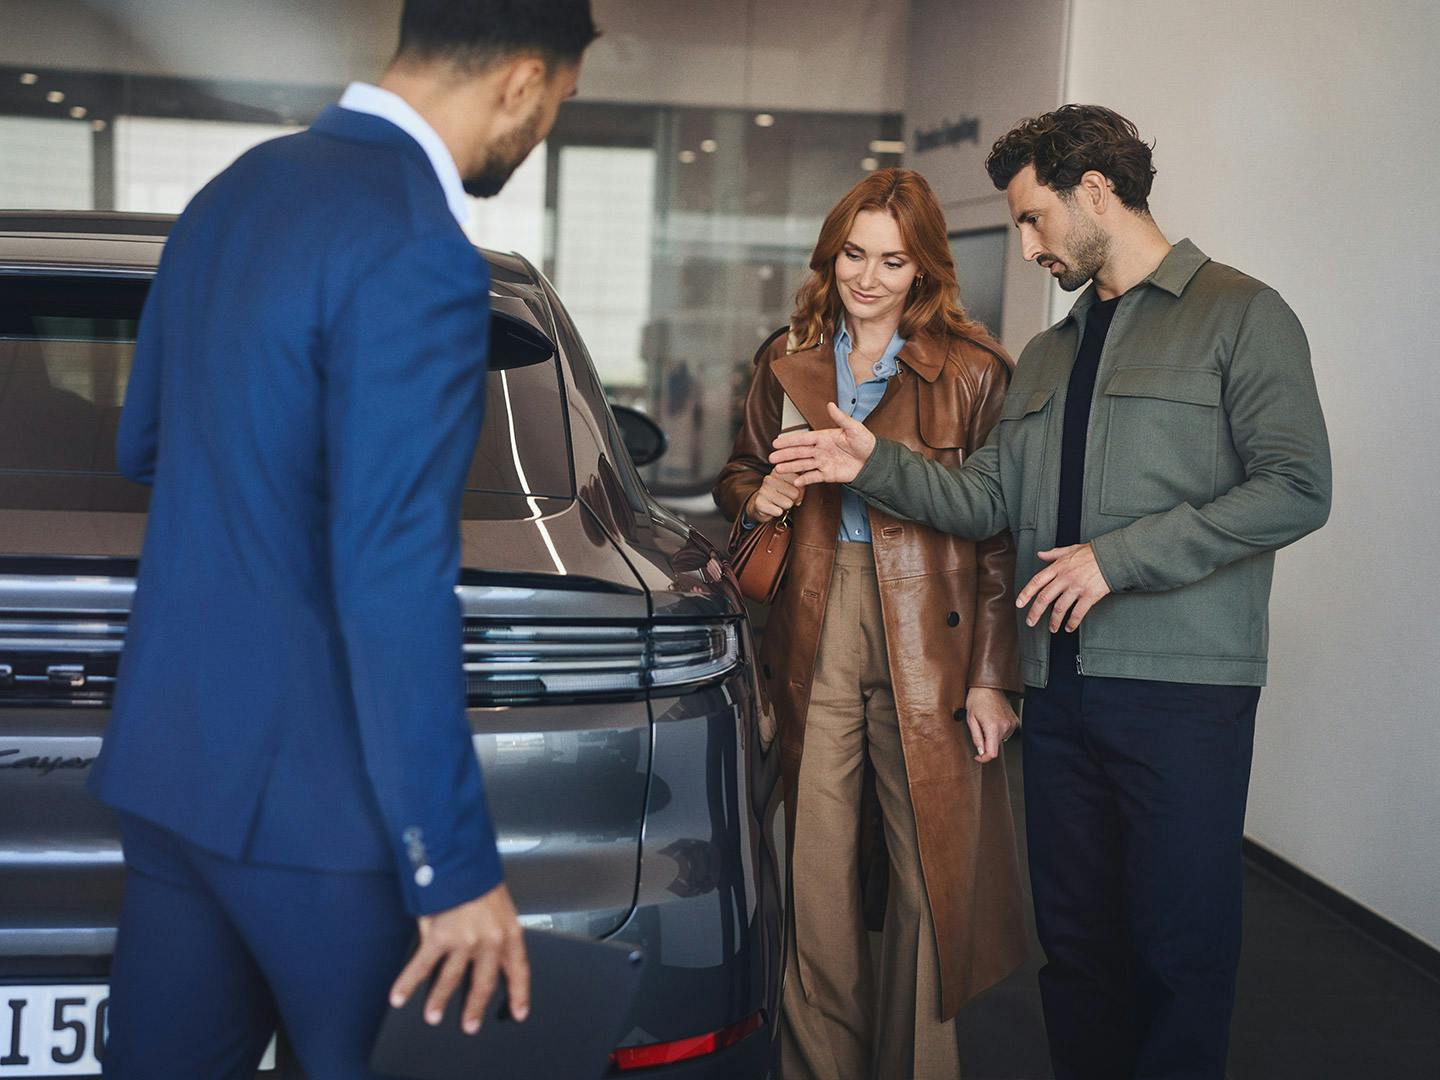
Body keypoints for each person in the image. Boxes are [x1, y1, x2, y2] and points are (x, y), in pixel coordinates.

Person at [769, 105, 1331, 1080]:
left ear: (1097, 193)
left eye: (1033, 219)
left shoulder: (1243, 315)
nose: (1026, 244)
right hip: (1060, 697)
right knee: (1074, 956)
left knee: (1176, 954)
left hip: (1182, 695)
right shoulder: (1048, 355)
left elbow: (1296, 486)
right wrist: (871, 464)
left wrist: (1121, 557)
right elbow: (985, 497)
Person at [88, 2, 596, 1075]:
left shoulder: (232, 195)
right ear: (518, 80)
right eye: (557, 100)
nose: (545, 125)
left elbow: (145, 445)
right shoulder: (421, 250)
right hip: (324, 813)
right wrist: (451, 867)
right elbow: (391, 578)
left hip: (176, 772)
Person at [714, 168, 1028, 1080]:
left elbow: (1003, 532)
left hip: (934, 629)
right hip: (815, 617)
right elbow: (739, 478)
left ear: (924, 268)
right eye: (855, 253)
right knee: (813, 872)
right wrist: (761, 493)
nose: (868, 276)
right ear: (832, 253)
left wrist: (991, 675)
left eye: (893, 259)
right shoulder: (787, 359)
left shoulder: (972, 372)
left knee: (932, 875)